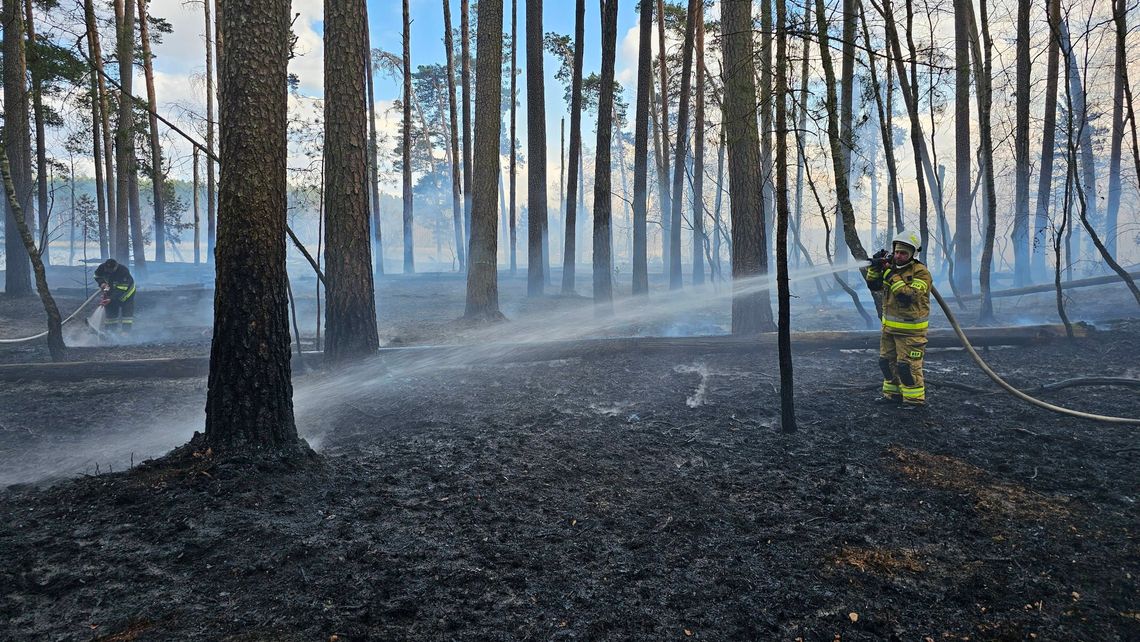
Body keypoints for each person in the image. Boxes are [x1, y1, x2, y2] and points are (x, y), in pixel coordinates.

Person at [865, 231, 931, 408]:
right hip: (889, 330)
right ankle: (892, 395)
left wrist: (889, 274)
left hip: (911, 332)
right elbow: (874, 285)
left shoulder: (921, 273)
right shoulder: (891, 268)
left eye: (903, 253)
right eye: (897, 252)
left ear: (912, 254)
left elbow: (907, 296)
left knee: (907, 366)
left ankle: (914, 400)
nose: (898, 256)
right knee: (886, 363)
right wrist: (874, 268)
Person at [94, 259, 136, 335]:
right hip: (112, 290)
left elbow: (121, 289)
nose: (109, 271)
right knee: (111, 311)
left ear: (116, 267)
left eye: (111, 270)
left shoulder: (123, 271)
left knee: (127, 314)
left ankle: (125, 333)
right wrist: (102, 283)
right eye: (107, 270)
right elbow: (96, 276)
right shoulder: (102, 268)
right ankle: (110, 332)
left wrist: (110, 298)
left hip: (126, 293)